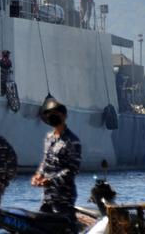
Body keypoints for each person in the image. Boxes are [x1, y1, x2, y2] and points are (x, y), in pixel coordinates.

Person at [31, 96, 82, 226]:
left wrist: (51, 180)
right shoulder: (49, 138)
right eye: (49, 114)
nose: (51, 117)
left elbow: (72, 170)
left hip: (63, 197)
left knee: (65, 227)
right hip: (48, 196)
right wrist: (38, 175)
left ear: (63, 116)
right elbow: (45, 161)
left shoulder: (72, 140)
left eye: (54, 114)